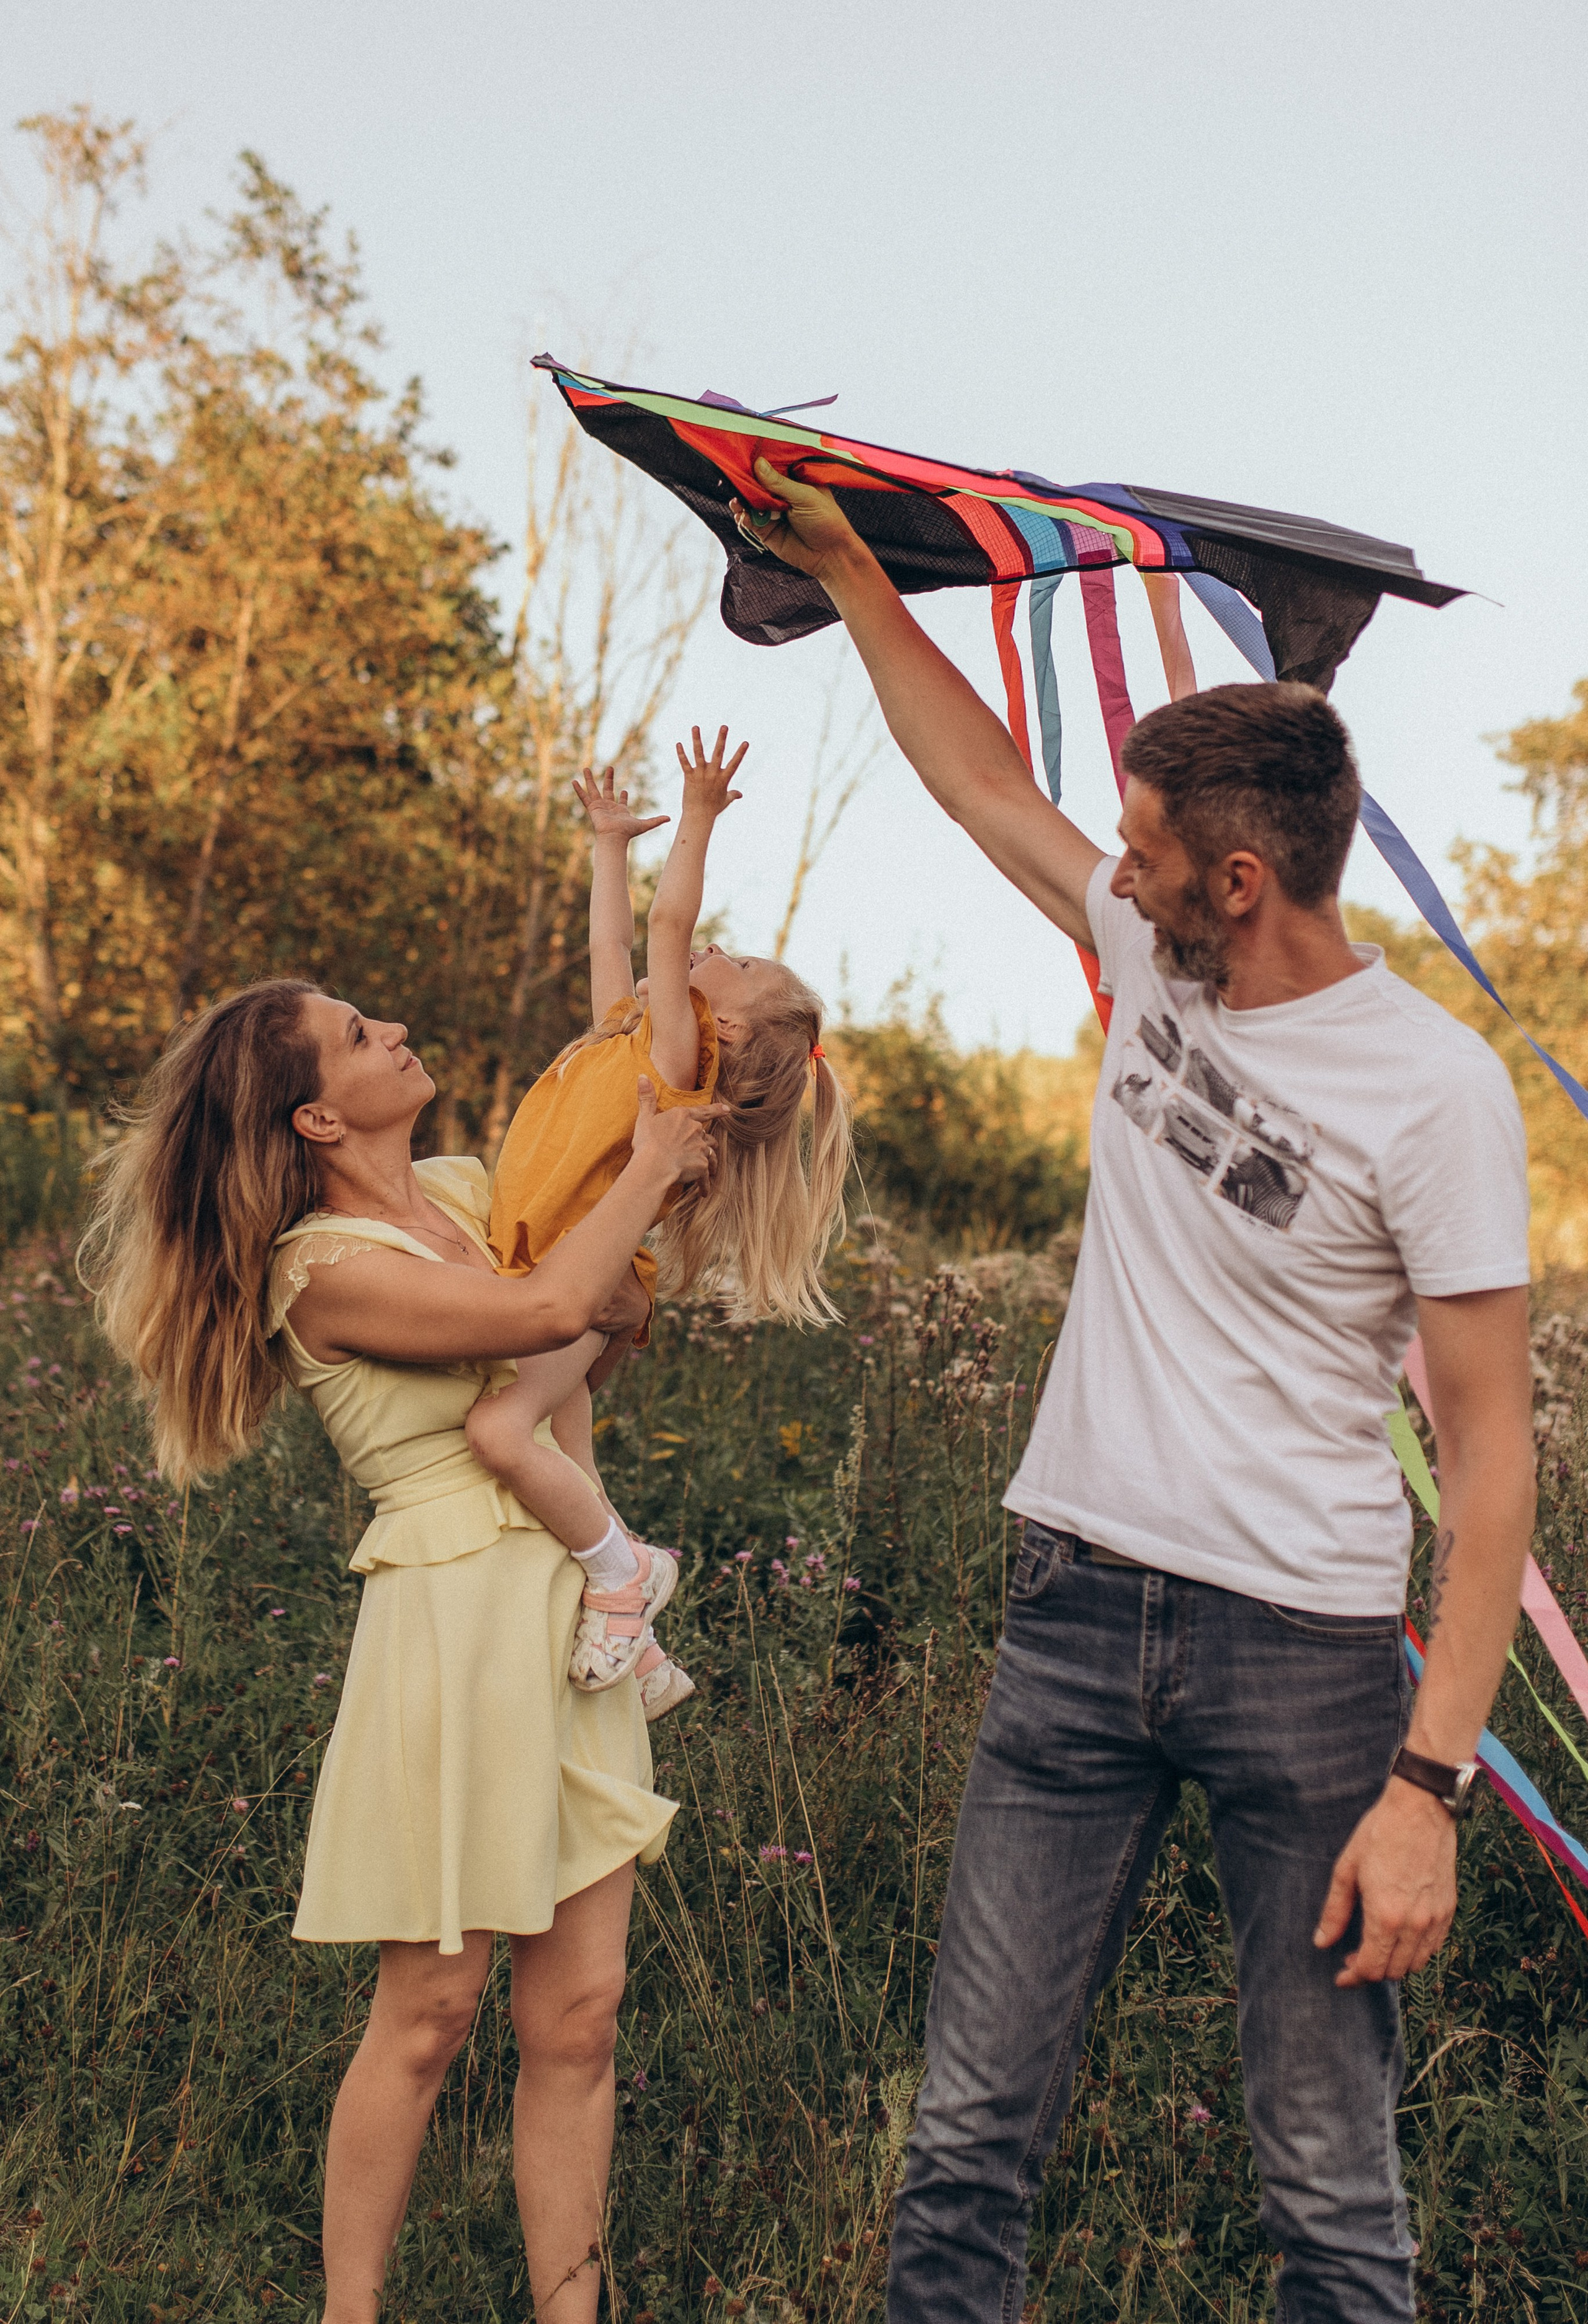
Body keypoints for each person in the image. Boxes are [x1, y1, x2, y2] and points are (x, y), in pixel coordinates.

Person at [731, 462, 1537, 2324]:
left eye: (1147, 848)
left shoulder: (1434, 1093)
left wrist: (1426, 1787)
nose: (1116, 867)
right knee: (963, 2142)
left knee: (1329, 2187)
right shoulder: (1150, 956)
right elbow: (976, 783)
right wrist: (850, 576)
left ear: (1238, 883)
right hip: (1074, 1617)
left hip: (1304, 1665)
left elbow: (1493, 1460)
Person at [79, 978, 719, 2324]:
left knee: (581, 2016)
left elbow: (578, 1346)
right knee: (430, 2012)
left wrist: (617, 1288)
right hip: (451, 1626)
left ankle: (571, 2312)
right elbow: (543, 1316)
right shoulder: (319, 1275)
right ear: (316, 1117)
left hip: (568, 1603)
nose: (394, 1033)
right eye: (358, 1036)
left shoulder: (468, 1189)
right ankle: (350, 2312)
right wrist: (645, 1176)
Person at [468, 723, 855, 1715]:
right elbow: (616, 944)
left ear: (728, 1024)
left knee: (500, 1431)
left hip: (581, 1286)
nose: (717, 948)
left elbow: (668, 927)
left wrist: (697, 816)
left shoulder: (681, 1060)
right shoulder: (627, 1038)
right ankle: (643, 1658)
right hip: (545, 1277)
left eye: (740, 962)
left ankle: (625, 1575)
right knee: (568, 1464)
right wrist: (609, 846)